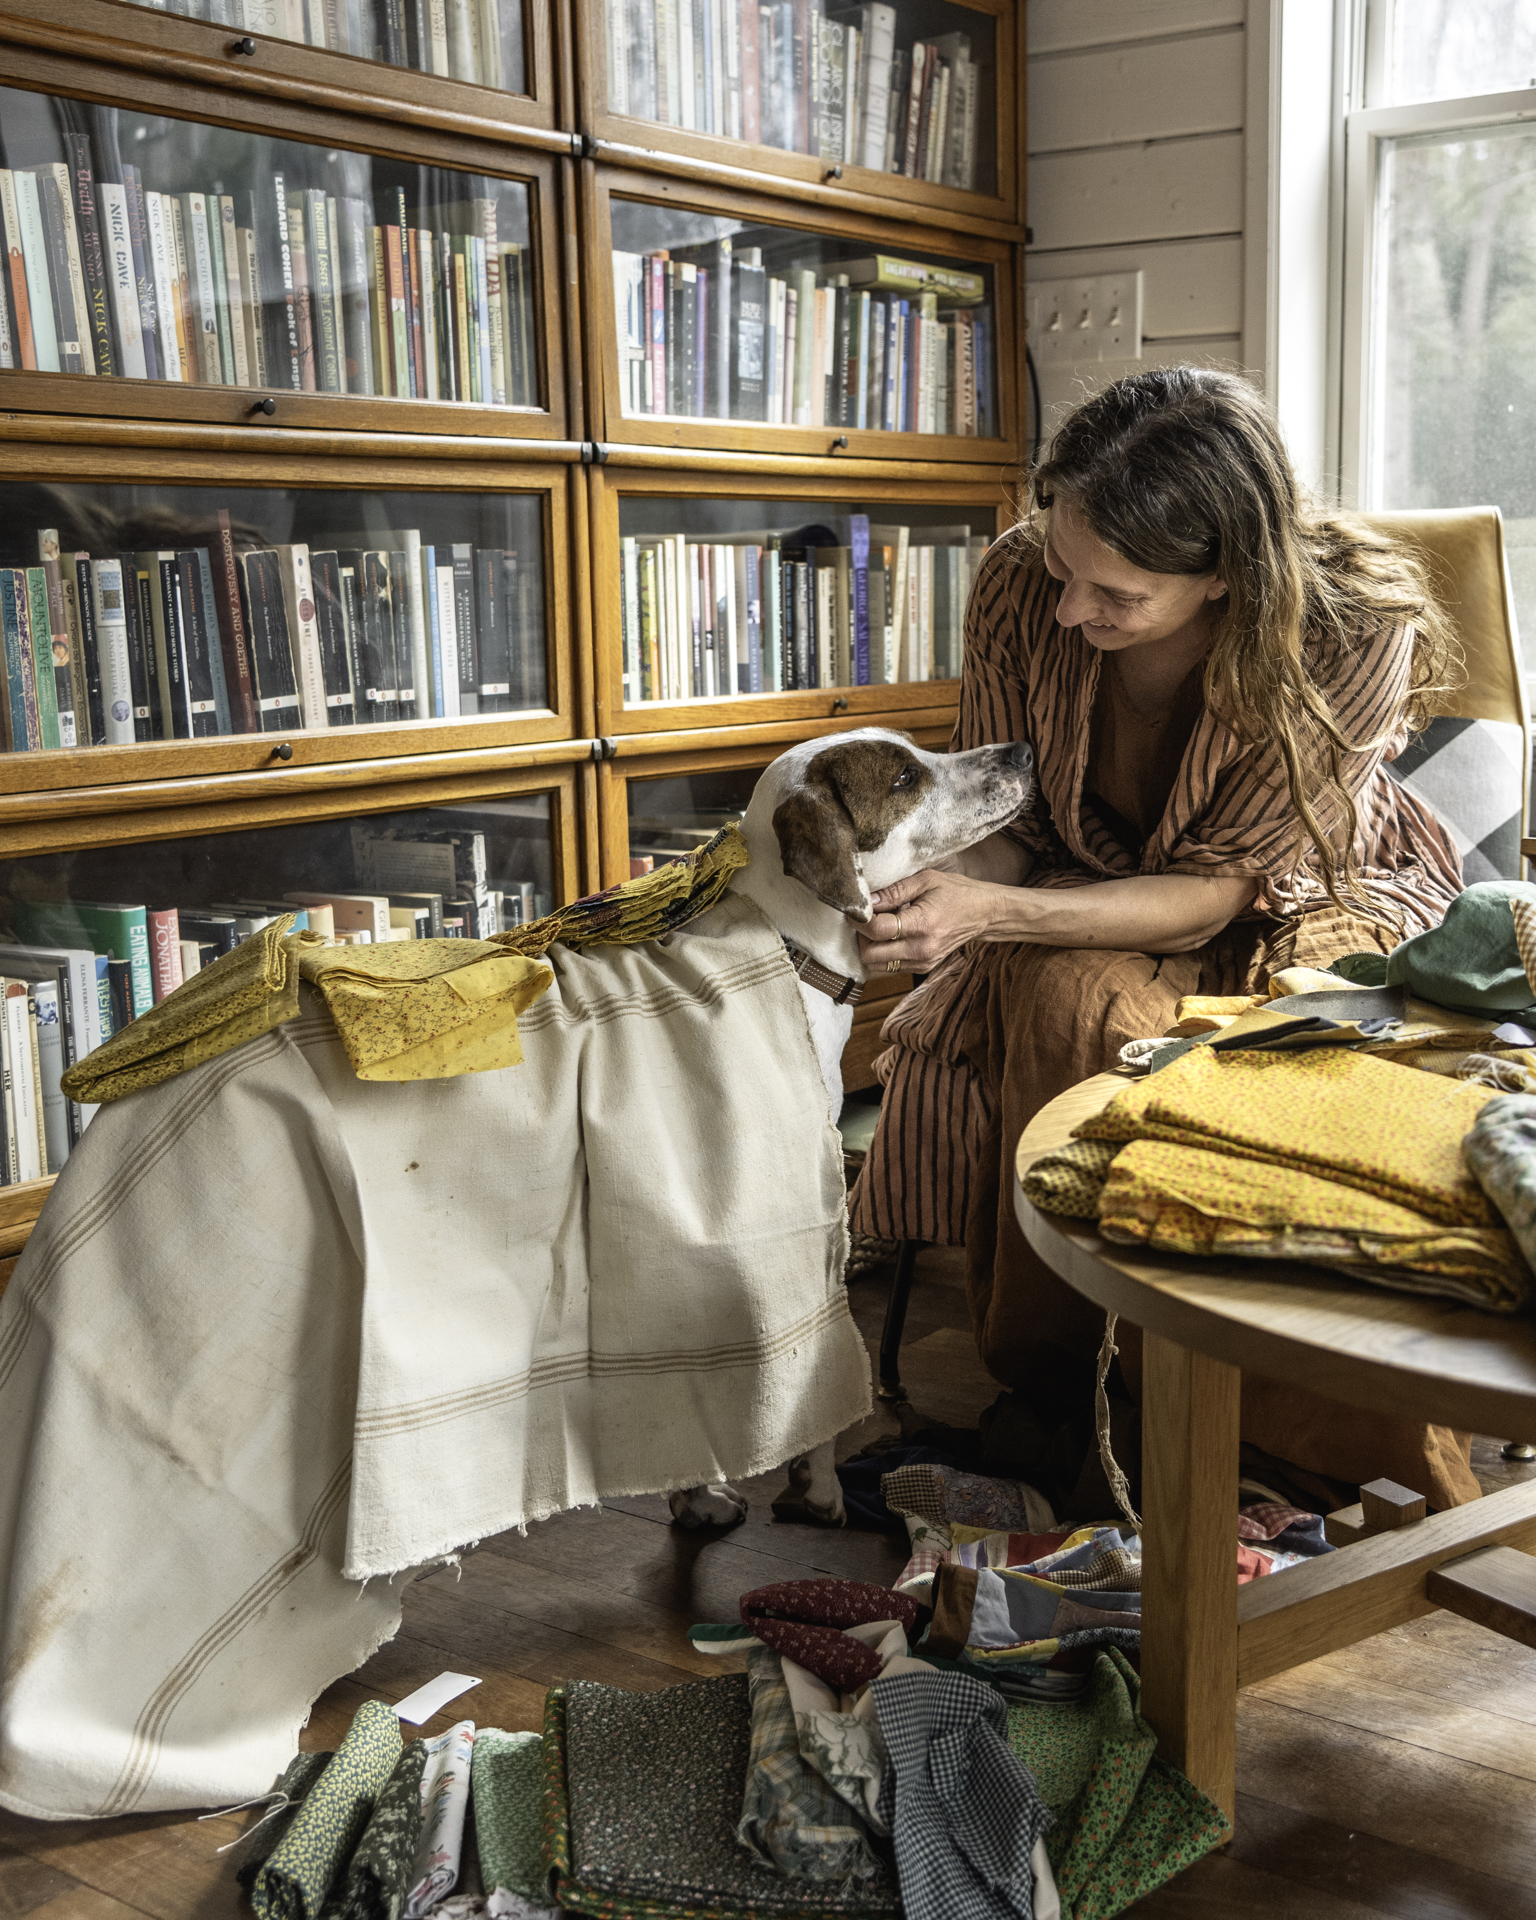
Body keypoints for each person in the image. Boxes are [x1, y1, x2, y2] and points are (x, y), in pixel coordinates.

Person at [848, 367, 1481, 1511]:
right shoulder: (1017, 581)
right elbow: (1007, 822)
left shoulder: (1352, 627)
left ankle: (1293, 1445)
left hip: (1308, 889)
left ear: (1227, 579)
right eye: (1058, 564)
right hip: (1085, 880)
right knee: (1059, 1002)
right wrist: (928, 883)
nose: (1064, 611)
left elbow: (1216, 892)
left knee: (1285, 1058)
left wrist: (991, 912)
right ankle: (1064, 1403)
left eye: (1115, 595)